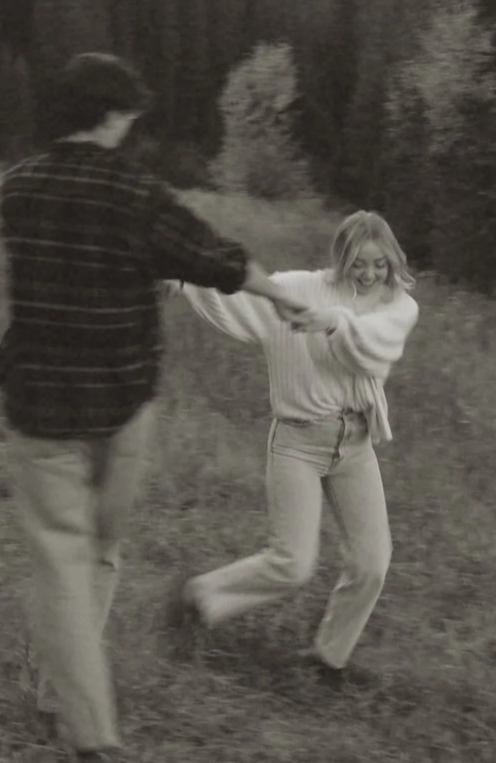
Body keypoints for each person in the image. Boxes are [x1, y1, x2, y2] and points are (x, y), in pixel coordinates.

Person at [0, 52, 310, 760]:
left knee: (62, 559)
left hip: (40, 402)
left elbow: (76, 262)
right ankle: (92, 735)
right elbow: (212, 256)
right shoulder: (135, 193)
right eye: (129, 113)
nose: (132, 125)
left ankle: (62, 695)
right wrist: (282, 295)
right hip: (120, 403)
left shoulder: (17, 187)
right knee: (97, 554)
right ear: (110, 114)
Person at [162, 210, 420, 690]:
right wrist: (184, 281)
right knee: (293, 564)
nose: (369, 274)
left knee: (372, 564)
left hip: (354, 444)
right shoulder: (300, 288)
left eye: (379, 264)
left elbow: (374, 346)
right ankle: (199, 597)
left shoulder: (399, 305)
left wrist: (332, 322)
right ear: (341, 258)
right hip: (298, 441)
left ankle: (328, 661)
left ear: (392, 262)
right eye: (359, 263)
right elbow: (238, 297)